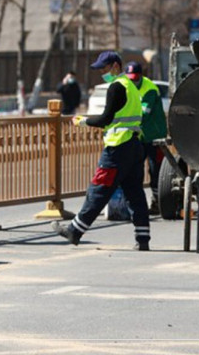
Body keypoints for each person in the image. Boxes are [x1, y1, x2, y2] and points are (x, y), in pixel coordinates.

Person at [51, 51, 151, 251]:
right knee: (135, 194)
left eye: (104, 68)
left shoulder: (116, 87)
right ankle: (143, 239)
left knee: (98, 190)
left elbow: (106, 119)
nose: (102, 73)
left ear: (115, 66)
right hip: (134, 146)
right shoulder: (130, 86)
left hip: (117, 148)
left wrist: (83, 121)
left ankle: (74, 231)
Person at [125, 61, 167, 215]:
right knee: (136, 168)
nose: (133, 82)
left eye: (135, 78)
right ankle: (138, 203)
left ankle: (157, 202)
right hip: (139, 135)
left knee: (155, 169)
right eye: (130, 79)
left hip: (153, 135)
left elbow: (144, 114)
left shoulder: (149, 89)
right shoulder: (126, 87)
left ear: (141, 76)